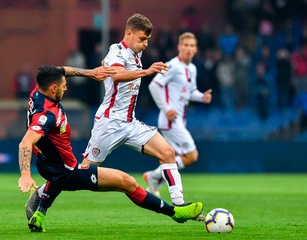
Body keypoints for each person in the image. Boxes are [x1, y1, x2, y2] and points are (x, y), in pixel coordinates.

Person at [18, 65, 204, 232]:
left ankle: (39, 215)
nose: (66, 87)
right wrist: (25, 174)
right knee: (127, 182)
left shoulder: (38, 91)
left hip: (53, 166)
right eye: (64, 85)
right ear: (53, 88)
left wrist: (90, 73)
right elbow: (25, 142)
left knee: (59, 172)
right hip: (68, 172)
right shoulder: (47, 115)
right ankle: (176, 212)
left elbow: (61, 70)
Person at [80, 13, 188, 206]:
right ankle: (43, 195)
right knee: (83, 174)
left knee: (167, 153)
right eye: (142, 39)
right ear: (128, 34)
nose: (145, 44)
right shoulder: (116, 51)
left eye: (147, 40)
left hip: (129, 123)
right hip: (109, 122)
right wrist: (147, 71)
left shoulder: (136, 53)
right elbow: (118, 76)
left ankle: (179, 205)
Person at [143, 32, 212, 196]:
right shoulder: (172, 65)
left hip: (180, 120)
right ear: (179, 47)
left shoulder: (192, 68)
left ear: (196, 49)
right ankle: (154, 177)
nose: (189, 49)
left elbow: (190, 92)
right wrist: (166, 109)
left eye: (192, 46)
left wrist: (202, 97)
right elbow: (154, 85)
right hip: (170, 121)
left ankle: (154, 179)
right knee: (191, 155)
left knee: (171, 157)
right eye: (186, 45)